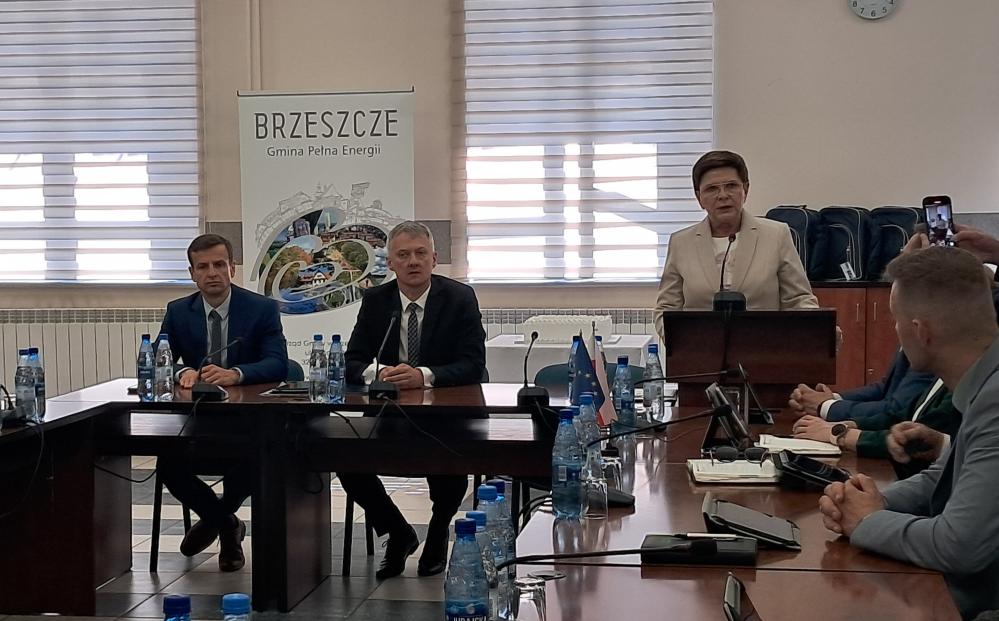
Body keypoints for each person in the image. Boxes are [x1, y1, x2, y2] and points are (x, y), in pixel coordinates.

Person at [819, 246, 999, 619]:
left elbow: (958, 546)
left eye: (895, 321)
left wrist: (867, 521)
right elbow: (938, 478)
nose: (896, 332)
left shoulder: (995, 400)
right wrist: (867, 501)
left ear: (920, 332)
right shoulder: (984, 384)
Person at [341, 221, 486, 580]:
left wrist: (423, 375)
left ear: (434, 259)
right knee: (342, 456)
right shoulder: (376, 301)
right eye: (403, 255)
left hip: (446, 416)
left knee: (450, 460)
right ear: (390, 263)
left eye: (421, 253)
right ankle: (397, 531)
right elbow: (353, 362)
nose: (413, 262)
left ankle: (438, 534)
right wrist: (382, 372)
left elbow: (473, 364)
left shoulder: (460, 298)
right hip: (389, 415)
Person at [156, 233, 289, 572]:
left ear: (232, 268)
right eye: (203, 267)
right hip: (198, 420)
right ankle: (227, 524)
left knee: (252, 460)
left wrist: (236, 374)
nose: (212, 273)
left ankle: (220, 526)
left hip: (248, 421)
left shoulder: (261, 308)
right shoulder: (178, 311)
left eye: (219, 264)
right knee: (169, 464)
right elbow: (157, 360)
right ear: (192, 273)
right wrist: (183, 370)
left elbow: (278, 363)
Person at [654, 150, 818, 340]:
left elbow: (799, 299)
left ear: (745, 190)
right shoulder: (681, 243)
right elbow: (666, 308)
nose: (723, 195)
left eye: (731, 186)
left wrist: (817, 328)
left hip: (765, 347)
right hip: (701, 349)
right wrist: (682, 342)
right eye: (712, 189)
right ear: (699, 198)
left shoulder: (776, 235)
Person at [791, 377, 959, 467]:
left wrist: (840, 434)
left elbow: (913, 439)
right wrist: (847, 424)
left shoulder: (957, 385)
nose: (896, 328)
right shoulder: (942, 379)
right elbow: (899, 417)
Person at [789, 349, 935, 423]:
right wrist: (831, 398)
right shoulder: (912, 334)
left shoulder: (927, 351)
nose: (896, 327)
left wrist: (825, 406)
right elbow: (885, 388)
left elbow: (895, 411)